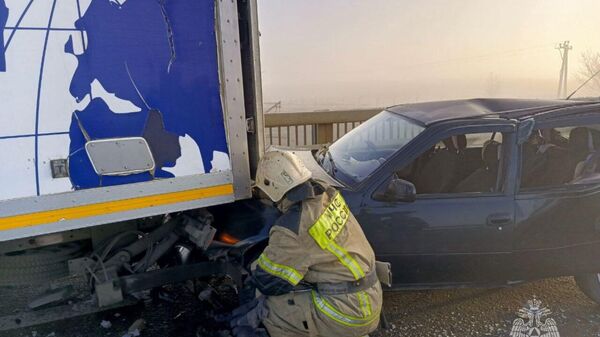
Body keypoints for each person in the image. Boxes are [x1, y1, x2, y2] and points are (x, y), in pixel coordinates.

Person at [231, 150, 384, 337]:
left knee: (269, 308)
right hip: (370, 296)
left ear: (271, 187)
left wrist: (257, 269)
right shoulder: (328, 193)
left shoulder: (293, 227)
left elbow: (270, 282)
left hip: (347, 312)